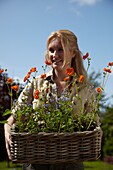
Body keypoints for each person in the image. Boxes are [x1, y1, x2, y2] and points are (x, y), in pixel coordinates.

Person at [4, 29, 98, 170]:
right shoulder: (37, 83)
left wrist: (98, 131)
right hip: (36, 161)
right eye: (51, 50)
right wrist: (7, 130)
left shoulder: (85, 88)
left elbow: (94, 123)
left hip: (71, 163)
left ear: (73, 53)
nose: (55, 55)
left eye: (60, 50)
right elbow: (13, 117)